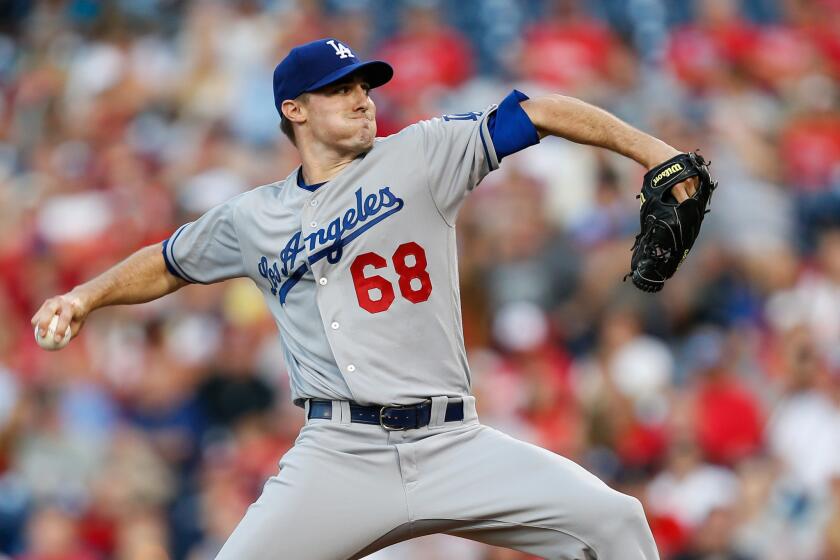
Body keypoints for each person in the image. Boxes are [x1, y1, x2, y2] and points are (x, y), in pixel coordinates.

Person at [32, 38, 699, 560]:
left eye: (364, 87)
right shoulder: (251, 218)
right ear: (294, 110)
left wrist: (654, 151)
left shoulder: (422, 155)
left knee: (616, 522)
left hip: (452, 442)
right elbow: (169, 262)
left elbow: (540, 112)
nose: (362, 100)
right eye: (339, 90)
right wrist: (85, 296)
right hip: (339, 455)